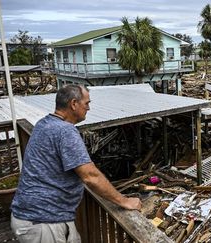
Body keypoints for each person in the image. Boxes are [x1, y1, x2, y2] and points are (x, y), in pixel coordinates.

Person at [10, 84, 141, 242]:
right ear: (73, 104)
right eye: (87, 103)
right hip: (43, 221)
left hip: (35, 217)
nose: (89, 108)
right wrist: (124, 201)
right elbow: (90, 176)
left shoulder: (43, 124)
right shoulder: (65, 131)